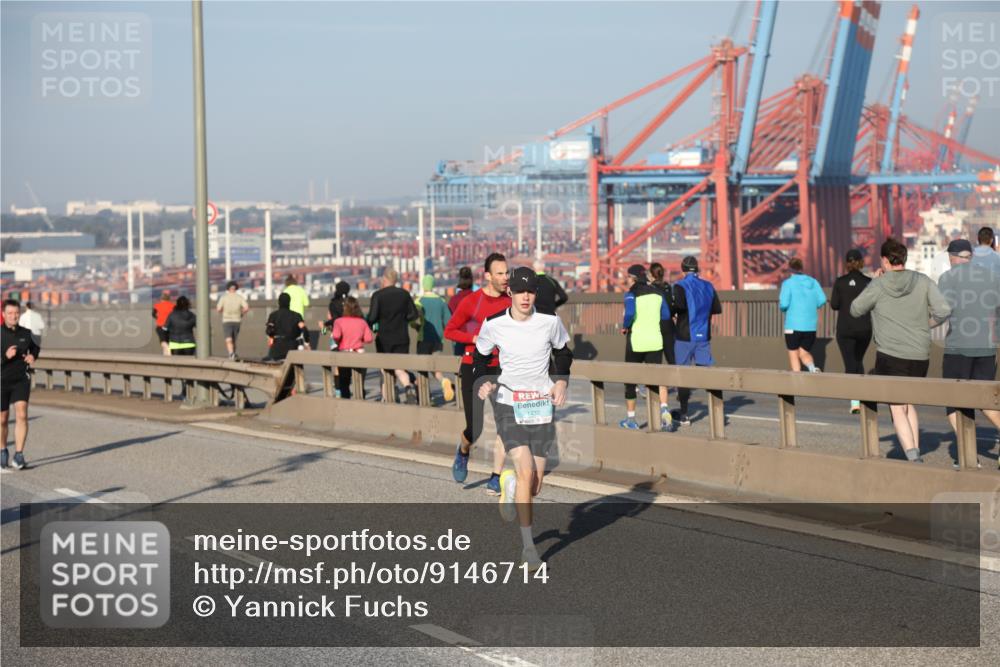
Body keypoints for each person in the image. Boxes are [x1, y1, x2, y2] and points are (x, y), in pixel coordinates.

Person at [474, 266, 573, 571]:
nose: (526, 297)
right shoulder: (494, 324)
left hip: (541, 405)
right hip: (508, 402)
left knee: (535, 484)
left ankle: (510, 482)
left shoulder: (550, 322)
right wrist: (486, 381)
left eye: (530, 291)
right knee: (527, 468)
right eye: (520, 291)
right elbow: (480, 357)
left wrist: (561, 381)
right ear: (510, 293)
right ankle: (529, 548)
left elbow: (564, 353)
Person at [850, 238, 951, 463]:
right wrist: (927, 324)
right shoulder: (923, 281)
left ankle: (913, 458)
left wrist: (873, 283)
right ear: (904, 259)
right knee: (908, 402)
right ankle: (915, 449)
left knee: (897, 407)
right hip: (920, 356)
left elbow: (856, 309)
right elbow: (944, 309)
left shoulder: (878, 285)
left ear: (885, 260)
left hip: (891, 355)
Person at [444, 253, 511, 491]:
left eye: (507, 273)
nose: (505, 278)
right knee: (476, 428)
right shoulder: (472, 301)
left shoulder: (511, 301)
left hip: (502, 368)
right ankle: (463, 451)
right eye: (500, 274)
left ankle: (495, 477)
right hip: (474, 366)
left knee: (505, 422)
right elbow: (450, 331)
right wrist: (473, 337)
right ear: (488, 276)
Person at [937, 238, 1000, 468]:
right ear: (970, 255)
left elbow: (941, 312)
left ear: (953, 257)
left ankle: (969, 457)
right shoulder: (992, 277)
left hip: (958, 347)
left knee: (954, 401)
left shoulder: (948, 278)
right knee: (984, 400)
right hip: (987, 347)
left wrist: (922, 324)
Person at [619, 264, 675, 432]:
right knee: (656, 378)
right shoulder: (657, 293)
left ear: (633, 278)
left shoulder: (631, 294)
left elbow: (629, 314)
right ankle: (664, 410)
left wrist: (625, 326)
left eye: (627, 277)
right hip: (655, 341)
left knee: (630, 380)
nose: (626, 280)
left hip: (636, 341)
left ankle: (631, 419)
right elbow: (665, 315)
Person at [671, 256, 723, 426]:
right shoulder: (708, 286)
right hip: (704, 335)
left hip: (684, 336)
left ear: (683, 268)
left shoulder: (679, 286)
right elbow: (716, 308)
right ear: (697, 269)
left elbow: (679, 307)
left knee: (683, 375)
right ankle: (717, 413)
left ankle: (684, 414)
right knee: (706, 374)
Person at [366, 268, 419, 404]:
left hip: (384, 338)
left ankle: (387, 397)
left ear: (384, 280)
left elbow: (371, 317)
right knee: (400, 367)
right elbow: (413, 315)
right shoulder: (404, 294)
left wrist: (373, 323)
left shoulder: (378, 295)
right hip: (402, 336)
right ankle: (408, 387)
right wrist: (402, 319)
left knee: (385, 369)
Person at [830, 249, 872, 414]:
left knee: (849, 363)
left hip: (845, 328)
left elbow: (834, 305)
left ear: (847, 263)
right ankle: (860, 395)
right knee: (858, 360)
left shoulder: (840, 282)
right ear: (861, 262)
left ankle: (855, 402)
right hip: (864, 328)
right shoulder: (868, 282)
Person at [2, 300, 39, 470]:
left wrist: (33, 357)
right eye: (10, 313)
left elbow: (35, 347)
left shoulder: (26, 332)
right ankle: (2, 450)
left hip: (20, 380)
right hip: (1, 381)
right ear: (3, 315)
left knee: (22, 414)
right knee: (2, 419)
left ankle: (19, 455)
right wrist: (5, 357)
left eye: (16, 312)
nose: (13, 316)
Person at [779, 258, 827, 373]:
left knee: (793, 353)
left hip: (793, 325)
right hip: (810, 327)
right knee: (804, 352)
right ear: (801, 268)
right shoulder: (813, 282)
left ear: (790, 269)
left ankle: (796, 385)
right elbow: (823, 299)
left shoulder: (788, 283)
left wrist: (783, 308)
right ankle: (812, 368)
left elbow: (784, 304)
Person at [413, 275, 455, 402]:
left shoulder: (418, 301)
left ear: (423, 285)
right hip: (438, 340)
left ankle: (427, 398)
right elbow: (449, 322)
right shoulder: (441, 301)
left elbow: (413, 321)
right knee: (434, 365)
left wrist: (415, 327)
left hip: (423, 338)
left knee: (423, 370)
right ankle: (443, 381)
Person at [332, 296, 373, 400]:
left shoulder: (338, 321)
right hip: (359, 352)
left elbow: (336, 336)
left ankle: (346, 403)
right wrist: (358, 339)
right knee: (359, 382)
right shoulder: (362, 322)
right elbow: (369, 339)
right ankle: (361, 401)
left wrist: (340, 342)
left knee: (344, 382)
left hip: (344, 352)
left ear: (345, 307)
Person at [266, 292, 306, 361]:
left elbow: (269, 331)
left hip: (277, 348)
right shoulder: (296, 315)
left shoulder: (273, 315)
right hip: (292, 347)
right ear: (289, 302)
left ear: (279, 302)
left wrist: (272, 336)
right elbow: (304, 330)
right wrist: (307, 343)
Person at [649, 262, 676, 364]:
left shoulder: (649, 289)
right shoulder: (668, 287)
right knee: (672, 357)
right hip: (668, 324)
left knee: (655, 358)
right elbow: (671, 305)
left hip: (655, 325)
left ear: (651, 275)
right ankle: (676, 378)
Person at [217, 281, 249, 360]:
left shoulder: (224, 298)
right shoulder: (239, 297)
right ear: (236, 288)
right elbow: (246, 308)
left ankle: (231, 354)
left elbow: (218, 309)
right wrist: (241, 314)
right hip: (237, 320)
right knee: (234, 339)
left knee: (228, 338)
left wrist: (223, 312)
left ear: (228, 288)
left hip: (226, 320)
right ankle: (233, 353)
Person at [448, 266, 476, 355]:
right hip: (474, 338)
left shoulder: (453, 300)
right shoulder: (478, 298)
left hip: (459, 338)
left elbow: (450, 320)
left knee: (459, 365)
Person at [319, 281, 351, 350]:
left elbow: (324, 332)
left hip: (336, 335)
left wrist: (324, 325)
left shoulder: (334, 303)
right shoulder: (351, 302)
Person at [282, 275, 311, 350]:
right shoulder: (300, 290)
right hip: (299, 318)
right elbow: (307, 304)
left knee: (289, 337)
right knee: (301, 337)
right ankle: (304, 349)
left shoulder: (285, 291)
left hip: (288, 318)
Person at [152, 290, 174, 356]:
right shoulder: (173, 306)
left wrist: (158, 318)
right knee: (168, 340)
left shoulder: (157, 305)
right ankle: (166, 354)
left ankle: (167, 351)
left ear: (161, 299)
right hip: (171, 326)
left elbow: (153, 314)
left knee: (163, 341)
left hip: (161, 326)